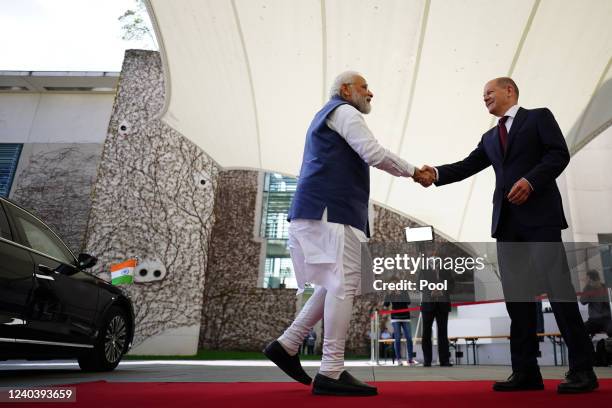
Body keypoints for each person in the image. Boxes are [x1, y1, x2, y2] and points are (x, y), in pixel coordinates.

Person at [414, 77, 597, 393]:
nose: (484, 97)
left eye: (489, 92)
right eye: (482, 94)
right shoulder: (489, 137)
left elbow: (558, 154)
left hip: (541, 220)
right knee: (518, 301)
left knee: (559, 292)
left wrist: (531, 181)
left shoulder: (539, 117)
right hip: (507, 226)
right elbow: (468, 165)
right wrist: (436, 174)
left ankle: (583, 370)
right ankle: (526, 372)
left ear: (509, 91)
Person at [263, 71, 423, 396]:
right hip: (331, 211)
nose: (370, 93)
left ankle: (289, 343)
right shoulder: (344, 111)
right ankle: (331, 371)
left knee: (334, 281)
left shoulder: (325, 116)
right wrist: (415, 171)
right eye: (364, 86)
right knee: (346, 282)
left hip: (319, 210)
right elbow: (373, 153)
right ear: (346, 90)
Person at [419, 267, 455, 367]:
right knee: (426, 333)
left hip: (443, 305)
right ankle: (427, 360)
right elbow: (419, 285)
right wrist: (431, 290)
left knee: (443, 333)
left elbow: (452, 285)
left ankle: (444, 361)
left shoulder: (446, 270)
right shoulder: (424, 270)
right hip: (427, 305)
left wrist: (442, 290)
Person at [383, 297, 416, 366]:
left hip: (406, 317)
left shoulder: (404, 292)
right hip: (395, 318)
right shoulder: (391, 293)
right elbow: (386, 305)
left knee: (409, 338)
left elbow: (408, 302)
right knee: (397, 339)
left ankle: (410, 359)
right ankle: (399, 359)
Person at [581, 270, 612, 337]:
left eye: (589, 280)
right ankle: (587, 347)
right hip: (593, 320)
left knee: (611, 329)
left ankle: (608, 345)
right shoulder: (588, 288)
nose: (588, 282)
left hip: (606, 319)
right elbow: (583, 301)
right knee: (581, 330)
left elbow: (609, 303)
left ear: (596, 279)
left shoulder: (606, 287)